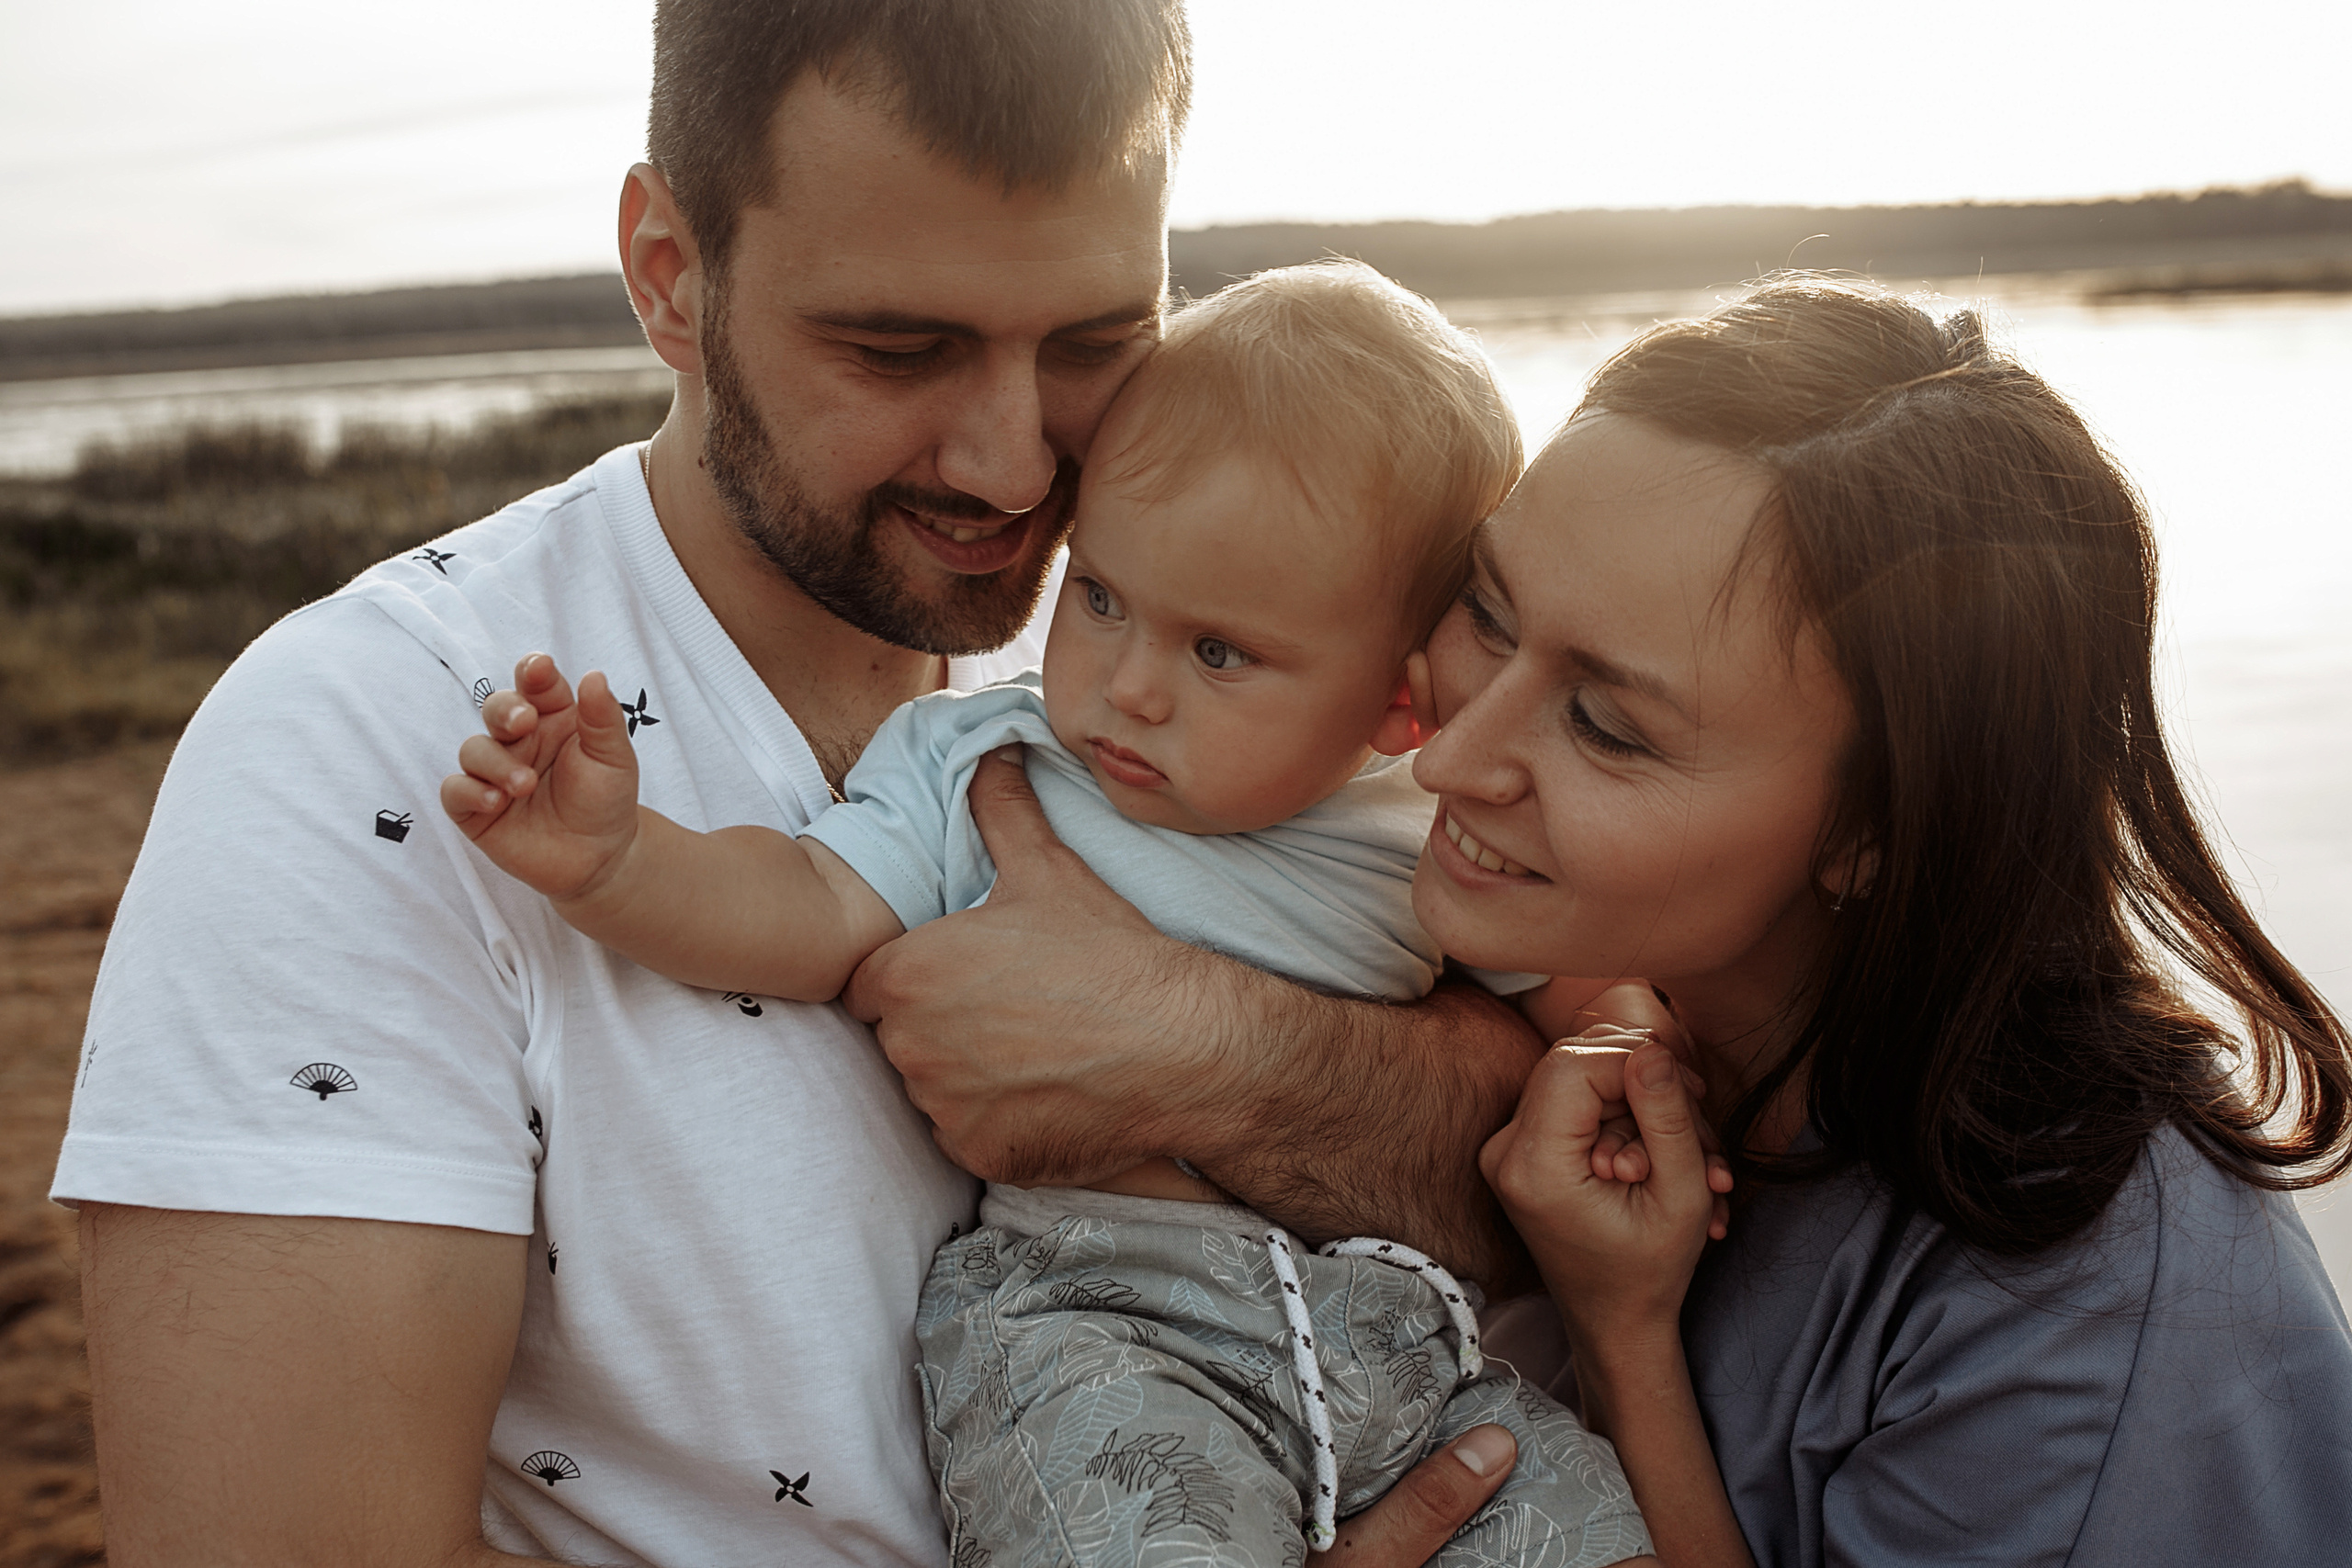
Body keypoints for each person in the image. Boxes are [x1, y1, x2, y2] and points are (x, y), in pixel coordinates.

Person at [51, 6, 1547, 1564]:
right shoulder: (376, 742)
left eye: (1094, 344)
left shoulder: (1171, 611)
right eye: (898, 350)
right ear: (668, 273)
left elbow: (1576, 1164)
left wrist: (1206, 1050)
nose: (1014, 470)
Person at [442, 262, 1658, 1568]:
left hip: (1403, 1344)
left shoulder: (1424, 832)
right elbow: (804, 903)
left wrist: (1631, 1069)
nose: (1127, 686)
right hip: (1096, 1326)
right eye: (1102, 597)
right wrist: (618, 861)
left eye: (1218, 652)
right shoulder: (986, 763)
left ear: (1401, 706)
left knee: (1596, 1534)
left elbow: (1594, 1008)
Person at [1410, 276, 2352, 1564]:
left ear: (1880, 827)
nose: (1449, 756)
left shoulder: (2094, 1302)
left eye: (1607, 726)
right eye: (1486, 611)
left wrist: (1622, 1341)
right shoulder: (1631, 1033)